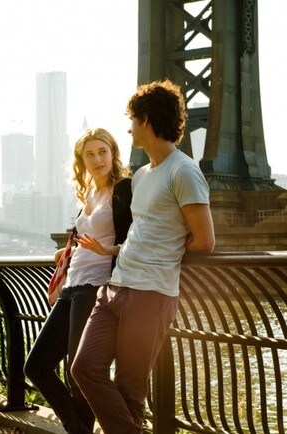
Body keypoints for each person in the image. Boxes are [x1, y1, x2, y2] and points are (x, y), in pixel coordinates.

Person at [71, 79, 215, 433]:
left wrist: (165, 253)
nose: (129, 128)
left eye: (132, 120)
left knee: (130, 392)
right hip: (114, 288)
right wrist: (113, 251)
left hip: (150, 293)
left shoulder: (184, 171)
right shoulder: (141, 176)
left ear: (146, 121)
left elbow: (205, 242)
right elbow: (142, 233)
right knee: (84, 368)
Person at [24, 127, 132, 434]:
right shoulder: (88, 194)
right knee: (36, 366)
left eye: (102, 152)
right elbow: (85, 236)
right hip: (72, 285)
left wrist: (108, 249)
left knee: (77, 374)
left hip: (95, 287)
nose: (97, 159)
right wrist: (67, 249)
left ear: (113, 153)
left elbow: (136, 238)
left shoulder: (123, 189)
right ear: (81, 161)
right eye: (89, 154)